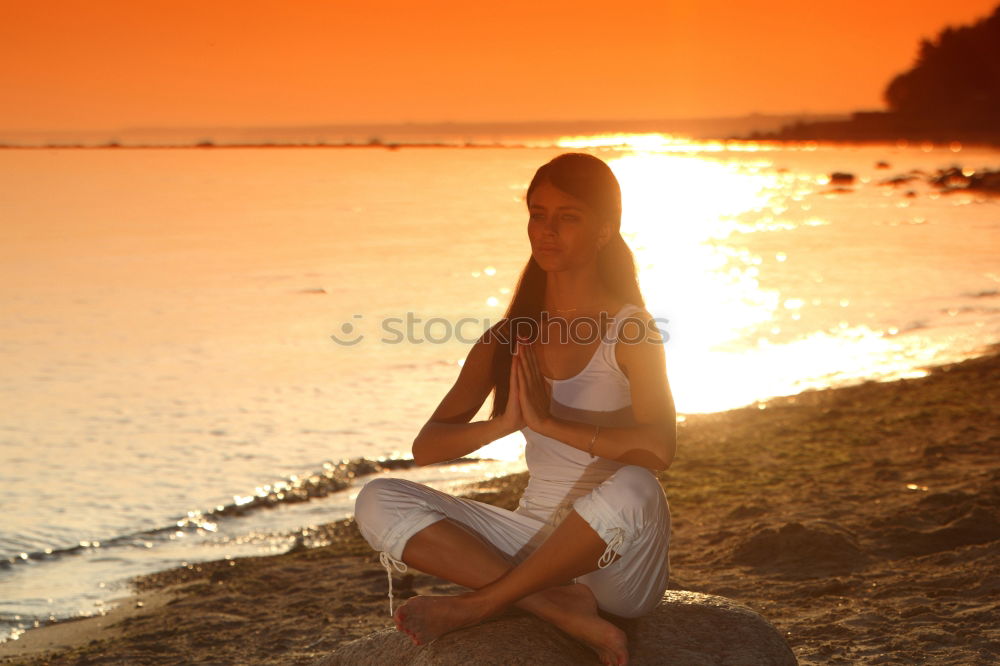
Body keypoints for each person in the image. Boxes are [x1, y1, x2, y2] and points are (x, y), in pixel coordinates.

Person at [353, 152, 676, 666]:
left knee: (637, 483)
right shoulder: (507, 339)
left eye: (567, 217)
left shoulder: (630, 330)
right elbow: (426, 448)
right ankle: (556, 606)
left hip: (615, 561)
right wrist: (503, 425)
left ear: (603, 231)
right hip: (531, 543)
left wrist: (551, 424)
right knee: (376, 498)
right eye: (538, 213)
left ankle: (485, 602)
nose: (546, 230)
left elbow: (658, 449)